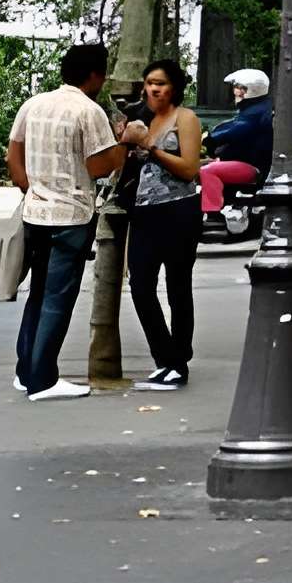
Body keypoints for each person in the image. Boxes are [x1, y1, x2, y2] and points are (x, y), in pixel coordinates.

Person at [4, 45, 127, 401]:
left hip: (35, 213)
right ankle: (43, 380)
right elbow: (100, 167)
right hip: (71, 216)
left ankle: (25, 370)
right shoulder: (89, 111)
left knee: (38, 293)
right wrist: (123, 143)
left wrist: (32, 189)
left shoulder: (33, 104)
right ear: (94, 75)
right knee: (58, 297)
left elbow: (14, 155)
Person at [116, 58, 205, 390]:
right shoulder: (142, 119)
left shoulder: (185, 119)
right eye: (150, 82)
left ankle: (179, 362)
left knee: (178, 287)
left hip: (179, 210)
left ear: (175, 87)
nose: (154, 88)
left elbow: (189, 169)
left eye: (161, 83)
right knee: (140, 286)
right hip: (144, 212)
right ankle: (164, 356)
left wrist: (151, 149)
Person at [200, 68, 272, 223]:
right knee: (203, 165)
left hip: (251, 165)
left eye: (240, 88)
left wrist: (211, 138)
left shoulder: (255, 113)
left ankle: (213, 216)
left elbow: (237, 129)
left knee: (208, 171)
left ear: (251, 91)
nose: (235, 91)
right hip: (243, 161)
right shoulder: (254, 109)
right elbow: (233, 125)